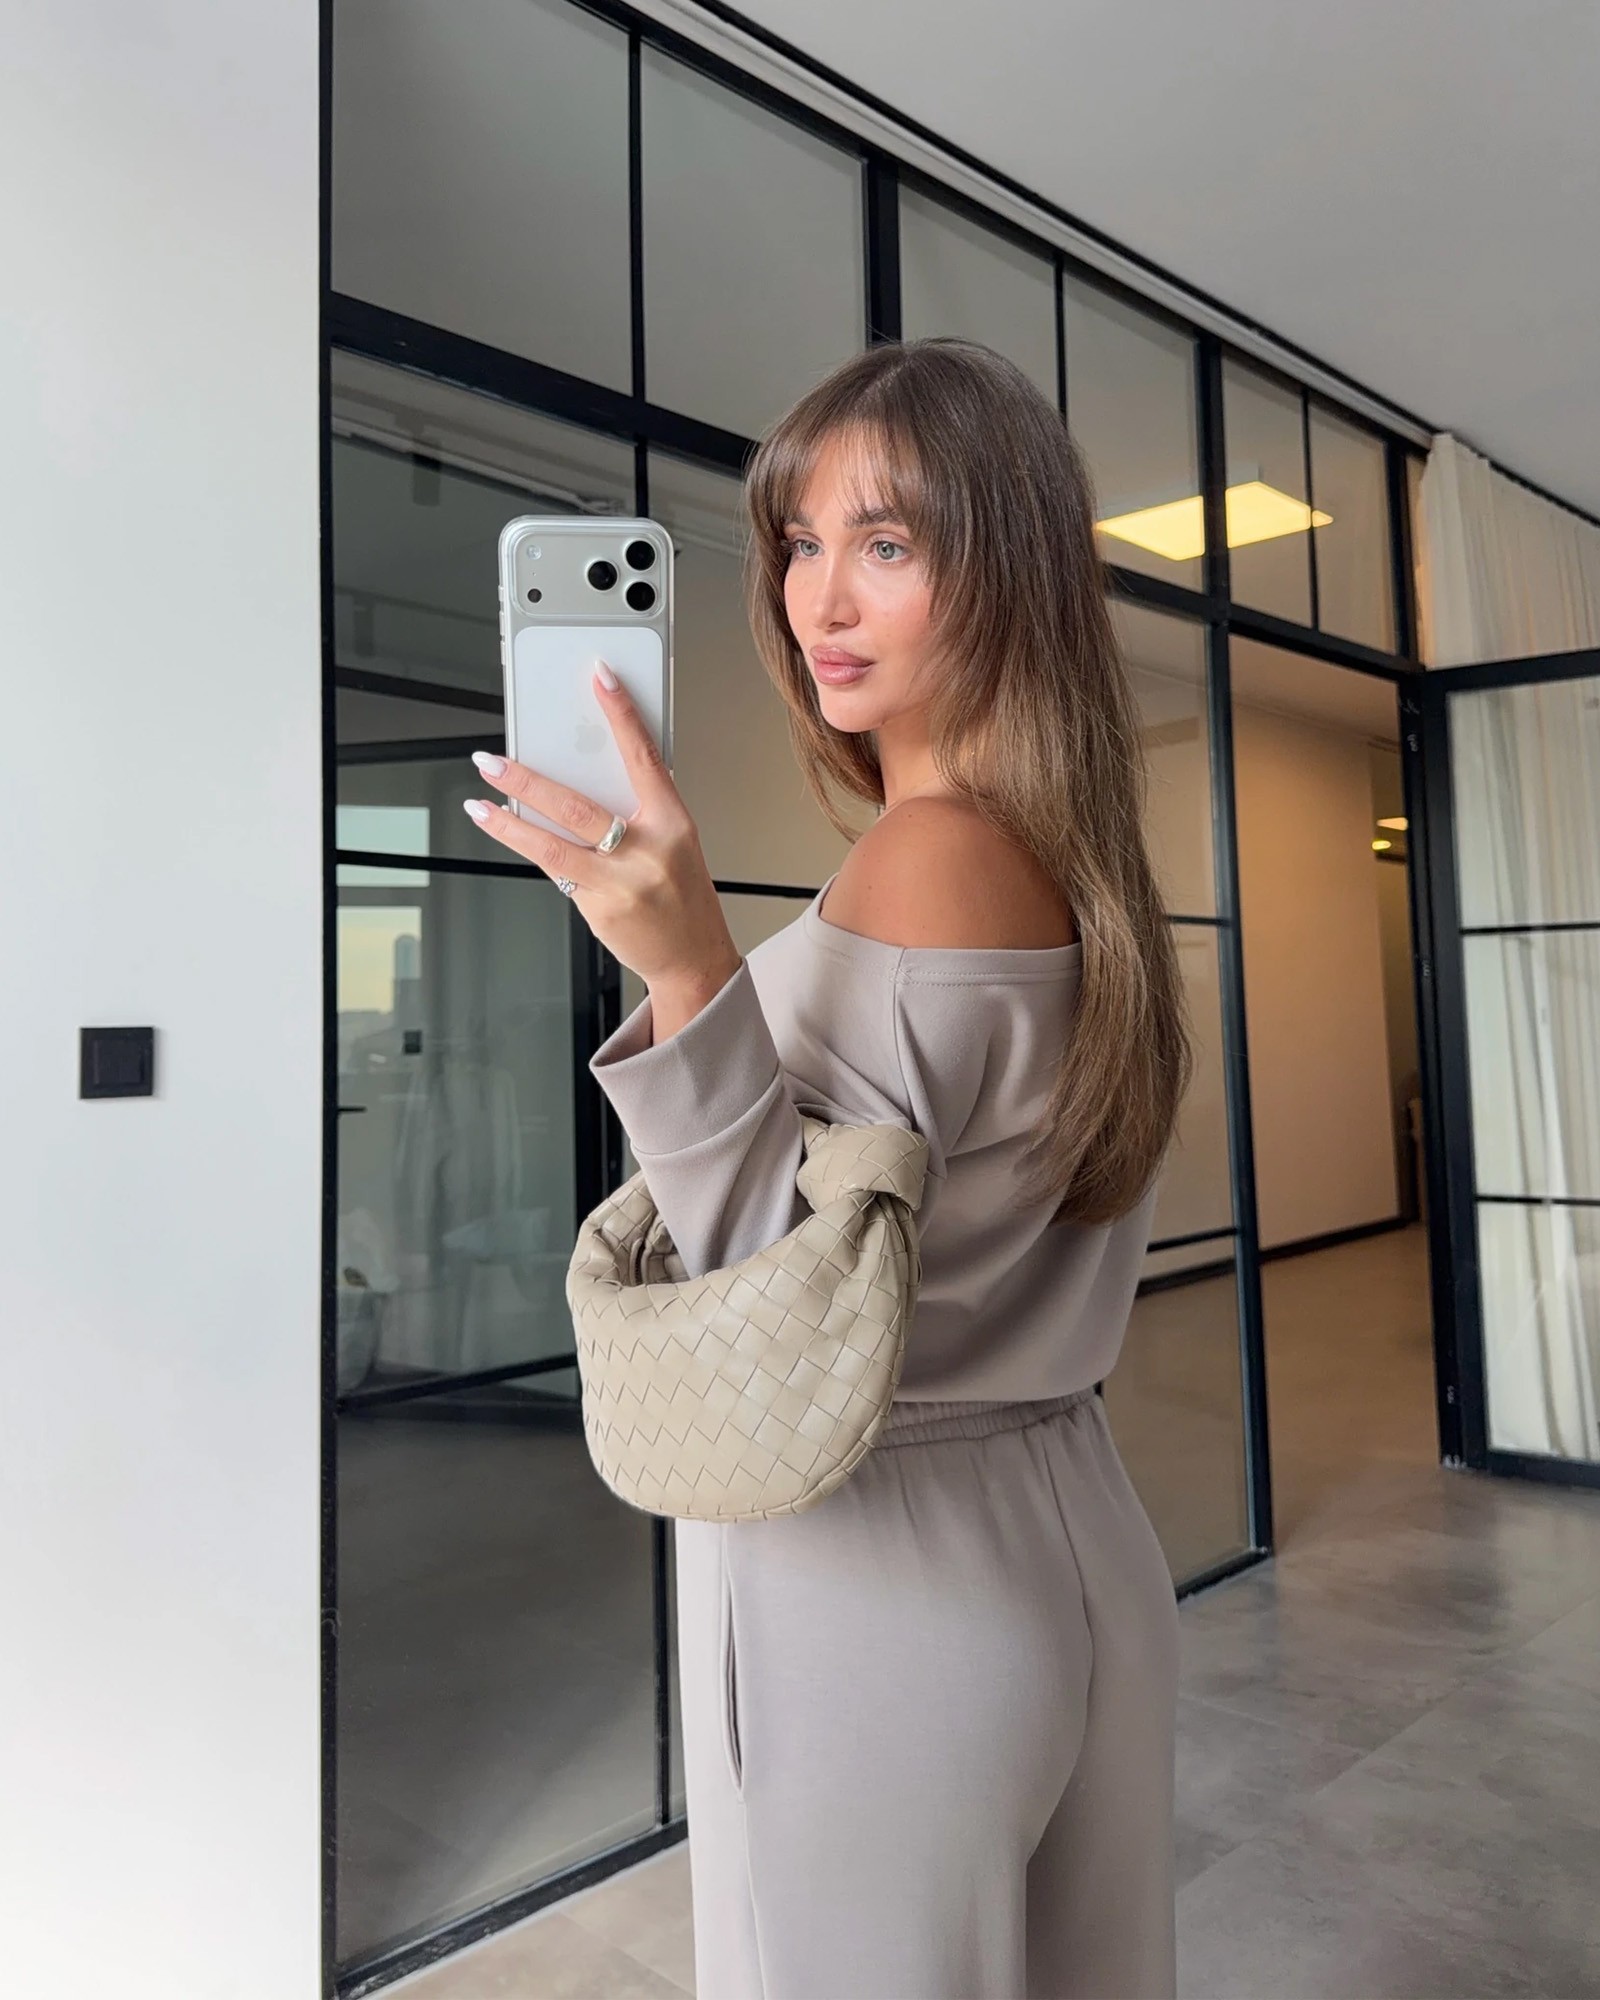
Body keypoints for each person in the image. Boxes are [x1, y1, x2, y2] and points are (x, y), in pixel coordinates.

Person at [463, 337, 1194, 2000]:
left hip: (875, 1582)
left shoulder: (927, 855)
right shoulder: (1074, 864)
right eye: (801, 541)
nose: (820, 601)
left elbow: (775, 1298)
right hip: (1073, 1537)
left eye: (887, 542)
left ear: (1006, 565)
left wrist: (686, 969)